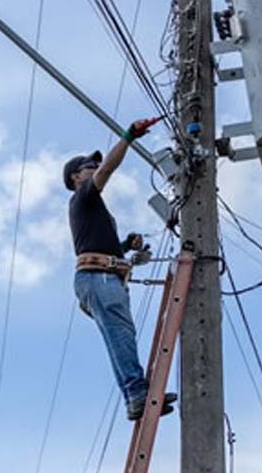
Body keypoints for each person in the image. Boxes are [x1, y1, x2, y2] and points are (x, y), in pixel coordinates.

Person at [64, 117, 177, 421]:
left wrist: (126, 245)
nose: (94, 170)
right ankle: (136, 392)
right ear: (76, 177)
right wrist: (128, 137)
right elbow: (108, 170)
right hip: (97, 277)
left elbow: (100, 243)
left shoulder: (91, 210)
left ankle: (134, 394)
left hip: (100, 276)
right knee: (120, 335)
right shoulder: (82, 197)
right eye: (88, 167)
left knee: (120, 335)